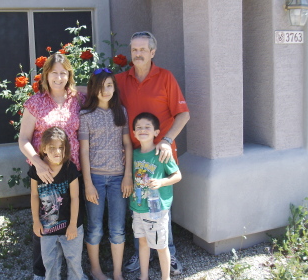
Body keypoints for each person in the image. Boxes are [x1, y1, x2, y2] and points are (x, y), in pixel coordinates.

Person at [115, 31, 190, 275]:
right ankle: (141, 254)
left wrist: (167, 140)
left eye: (143, 50)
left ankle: (171, 255)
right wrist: (67, 87)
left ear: (152, 53)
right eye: (134, 50)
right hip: (135, 157)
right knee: (139, 205)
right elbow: (96, 89)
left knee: (160, 207)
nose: (137, 54)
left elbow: (183, 114)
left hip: (161, 155)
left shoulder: (165, 77)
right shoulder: (122, 79)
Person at [19, 52, 85, 280]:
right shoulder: (35, 103)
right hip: (46, 174)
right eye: (54, 72)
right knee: (45, 221)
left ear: (69, 75)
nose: (58, 77)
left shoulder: (77, 99)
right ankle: (42, 272)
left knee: (72, 218)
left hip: (72, 172)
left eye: (63, 73)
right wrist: (37, 163)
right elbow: (23, 139)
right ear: (46, 75)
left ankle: (74, 270)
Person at [79, 68, 133, 280]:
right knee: (94, 229)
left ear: (114, 87)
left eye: (109, 85)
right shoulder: (86, 115)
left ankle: (117, 273)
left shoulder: (121, 111)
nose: (105, 90)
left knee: (118, 228)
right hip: (96, 179)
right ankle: (96, 270)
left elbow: (127, 145)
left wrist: (128, 175)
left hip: (119, 179)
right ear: (93, 89)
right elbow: (83, 150)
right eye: (101, 86)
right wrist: (88, 184)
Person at [29, 126, 87, 280]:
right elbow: (34, 195)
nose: (57, 151)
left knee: (74, 263)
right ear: (43, 148)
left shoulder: (70, 168)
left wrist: (73, 224)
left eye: (61, 147)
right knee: (51, 264)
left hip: (71, 227)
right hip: (47, 228)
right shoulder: (37, 170)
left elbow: (75, 198)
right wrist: (36, 221)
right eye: (52, 147)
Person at [130, 112, 182, 280]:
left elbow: (177, 176)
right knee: (143, 243)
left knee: (161, 246)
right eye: (138, 127)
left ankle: (165, 278)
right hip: (137, 208)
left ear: (156, 132)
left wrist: (161, 182)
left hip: (156, 210)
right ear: (134, 133)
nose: (142, 130)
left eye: (147, 127)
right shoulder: (134, 154)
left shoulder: (162, 153)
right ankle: (143, 276)